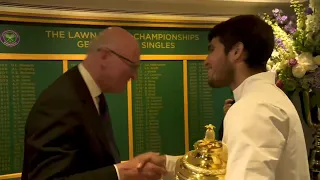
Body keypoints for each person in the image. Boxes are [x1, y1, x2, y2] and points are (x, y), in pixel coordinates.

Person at [168, 15, 310, 180]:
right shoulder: (264, 100)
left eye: (212, 49)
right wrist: (166, 164)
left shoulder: (254, 108)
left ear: (236, 51)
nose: (207, 61)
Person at [22, 27, 167, 180]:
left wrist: (131, 169)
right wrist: (122, 173)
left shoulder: (92, 95)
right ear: (104, 56)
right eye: (132, 66)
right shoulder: (60, 101)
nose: (134, 76)